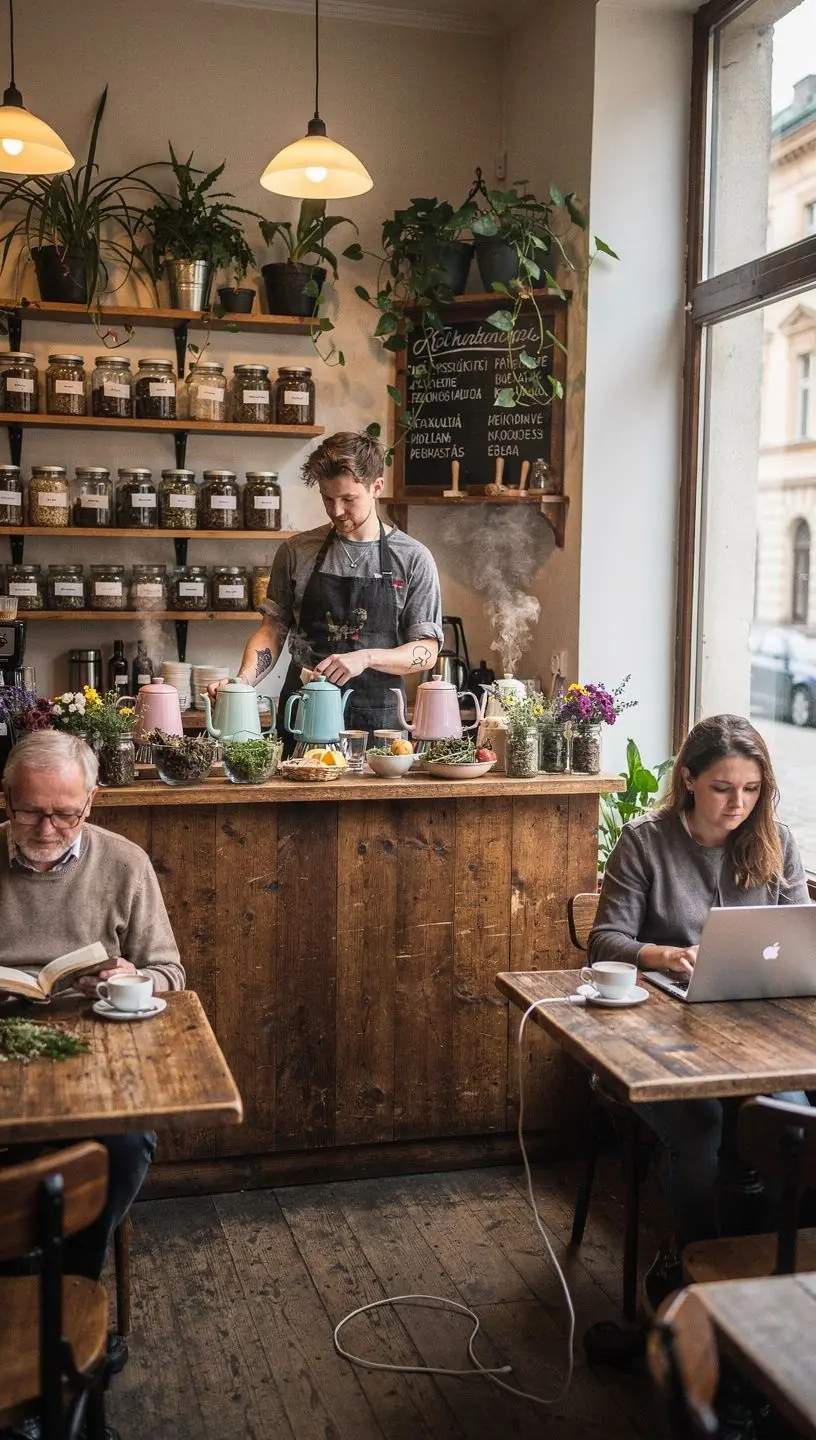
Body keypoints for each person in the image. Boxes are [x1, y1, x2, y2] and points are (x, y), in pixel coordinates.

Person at [588, 713, 810, 1310]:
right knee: (704, 1130)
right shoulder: (646, 843)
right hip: (661, 1035)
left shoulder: (776, 842)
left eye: (752, 789)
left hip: (754, 1029)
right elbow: (604, 942)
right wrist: (662, 953)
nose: (738, 803)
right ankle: (693, 1267)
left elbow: (800, 932)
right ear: (688, 778)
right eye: (722, 788)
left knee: (788, 1119)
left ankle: (761, 1281)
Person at [0, 730, 185, 1285]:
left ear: (91, 800)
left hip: (95, 1042)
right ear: (5, 796)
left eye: (65, 815)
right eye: (30, 813)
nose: (47, 830)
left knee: (128, 1141)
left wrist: (133, 975)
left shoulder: (125, 863)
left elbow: (169, 973)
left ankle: (73, 1282)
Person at [215, 431, 443, 745]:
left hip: (378, 727)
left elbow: (427, 651)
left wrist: (366, 658)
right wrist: (242, 683)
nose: (336, 510)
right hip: (303, 719)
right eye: (327, 498)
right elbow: (273, 630)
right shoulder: (297, 551)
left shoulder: (413, 558)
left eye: (348, 499)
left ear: (376, 487)